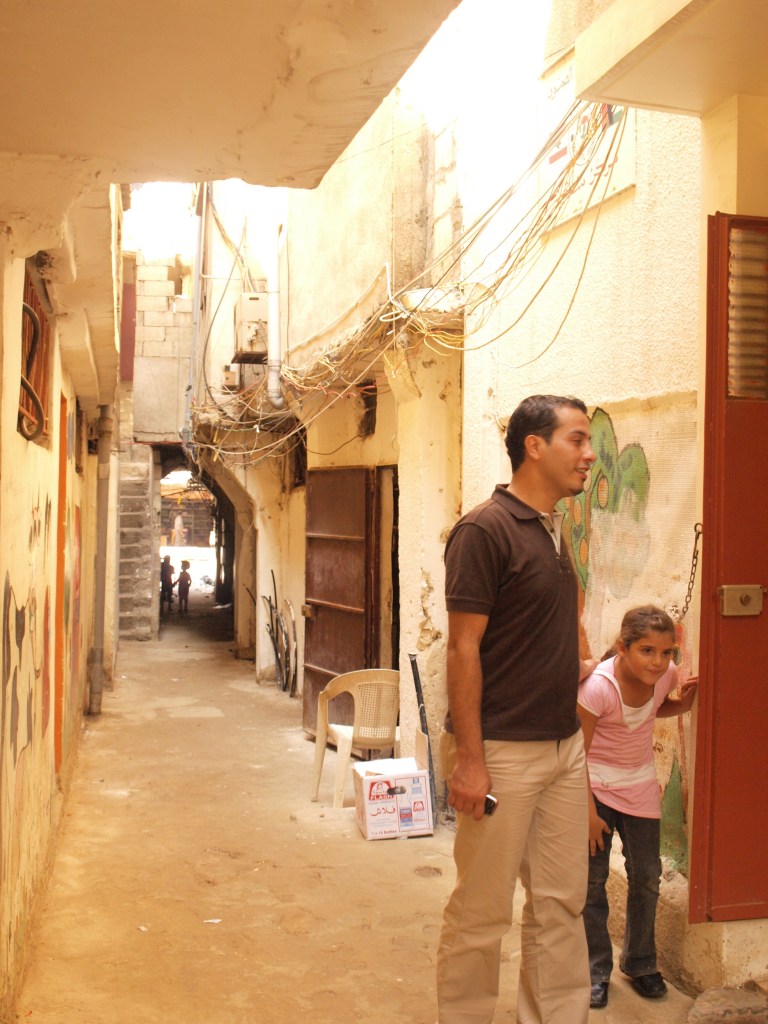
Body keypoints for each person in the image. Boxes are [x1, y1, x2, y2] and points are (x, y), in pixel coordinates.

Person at [436, 394, 597, 1024]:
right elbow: (462, 649)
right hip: (501, 750)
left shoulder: (554, 529)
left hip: (563, 747)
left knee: (560, 906)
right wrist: (470, 760)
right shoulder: (485, 530)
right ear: (535, 446)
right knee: (481, 911)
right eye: (577, 440)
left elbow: (540, 634)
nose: (589, 455)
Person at [578, 605, 697, 1009]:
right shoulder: (598, 687)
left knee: (647, 875)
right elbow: (577, 755)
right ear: (622, 648)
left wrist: (683, 705)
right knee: (592, 881)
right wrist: (587, 814)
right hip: (593, 786)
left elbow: (654, 708)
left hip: (639, 784)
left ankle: (641, 962)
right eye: (647, 651)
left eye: (666, 653)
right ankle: (595, 970)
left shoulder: (667, 676)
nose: (658, 662)